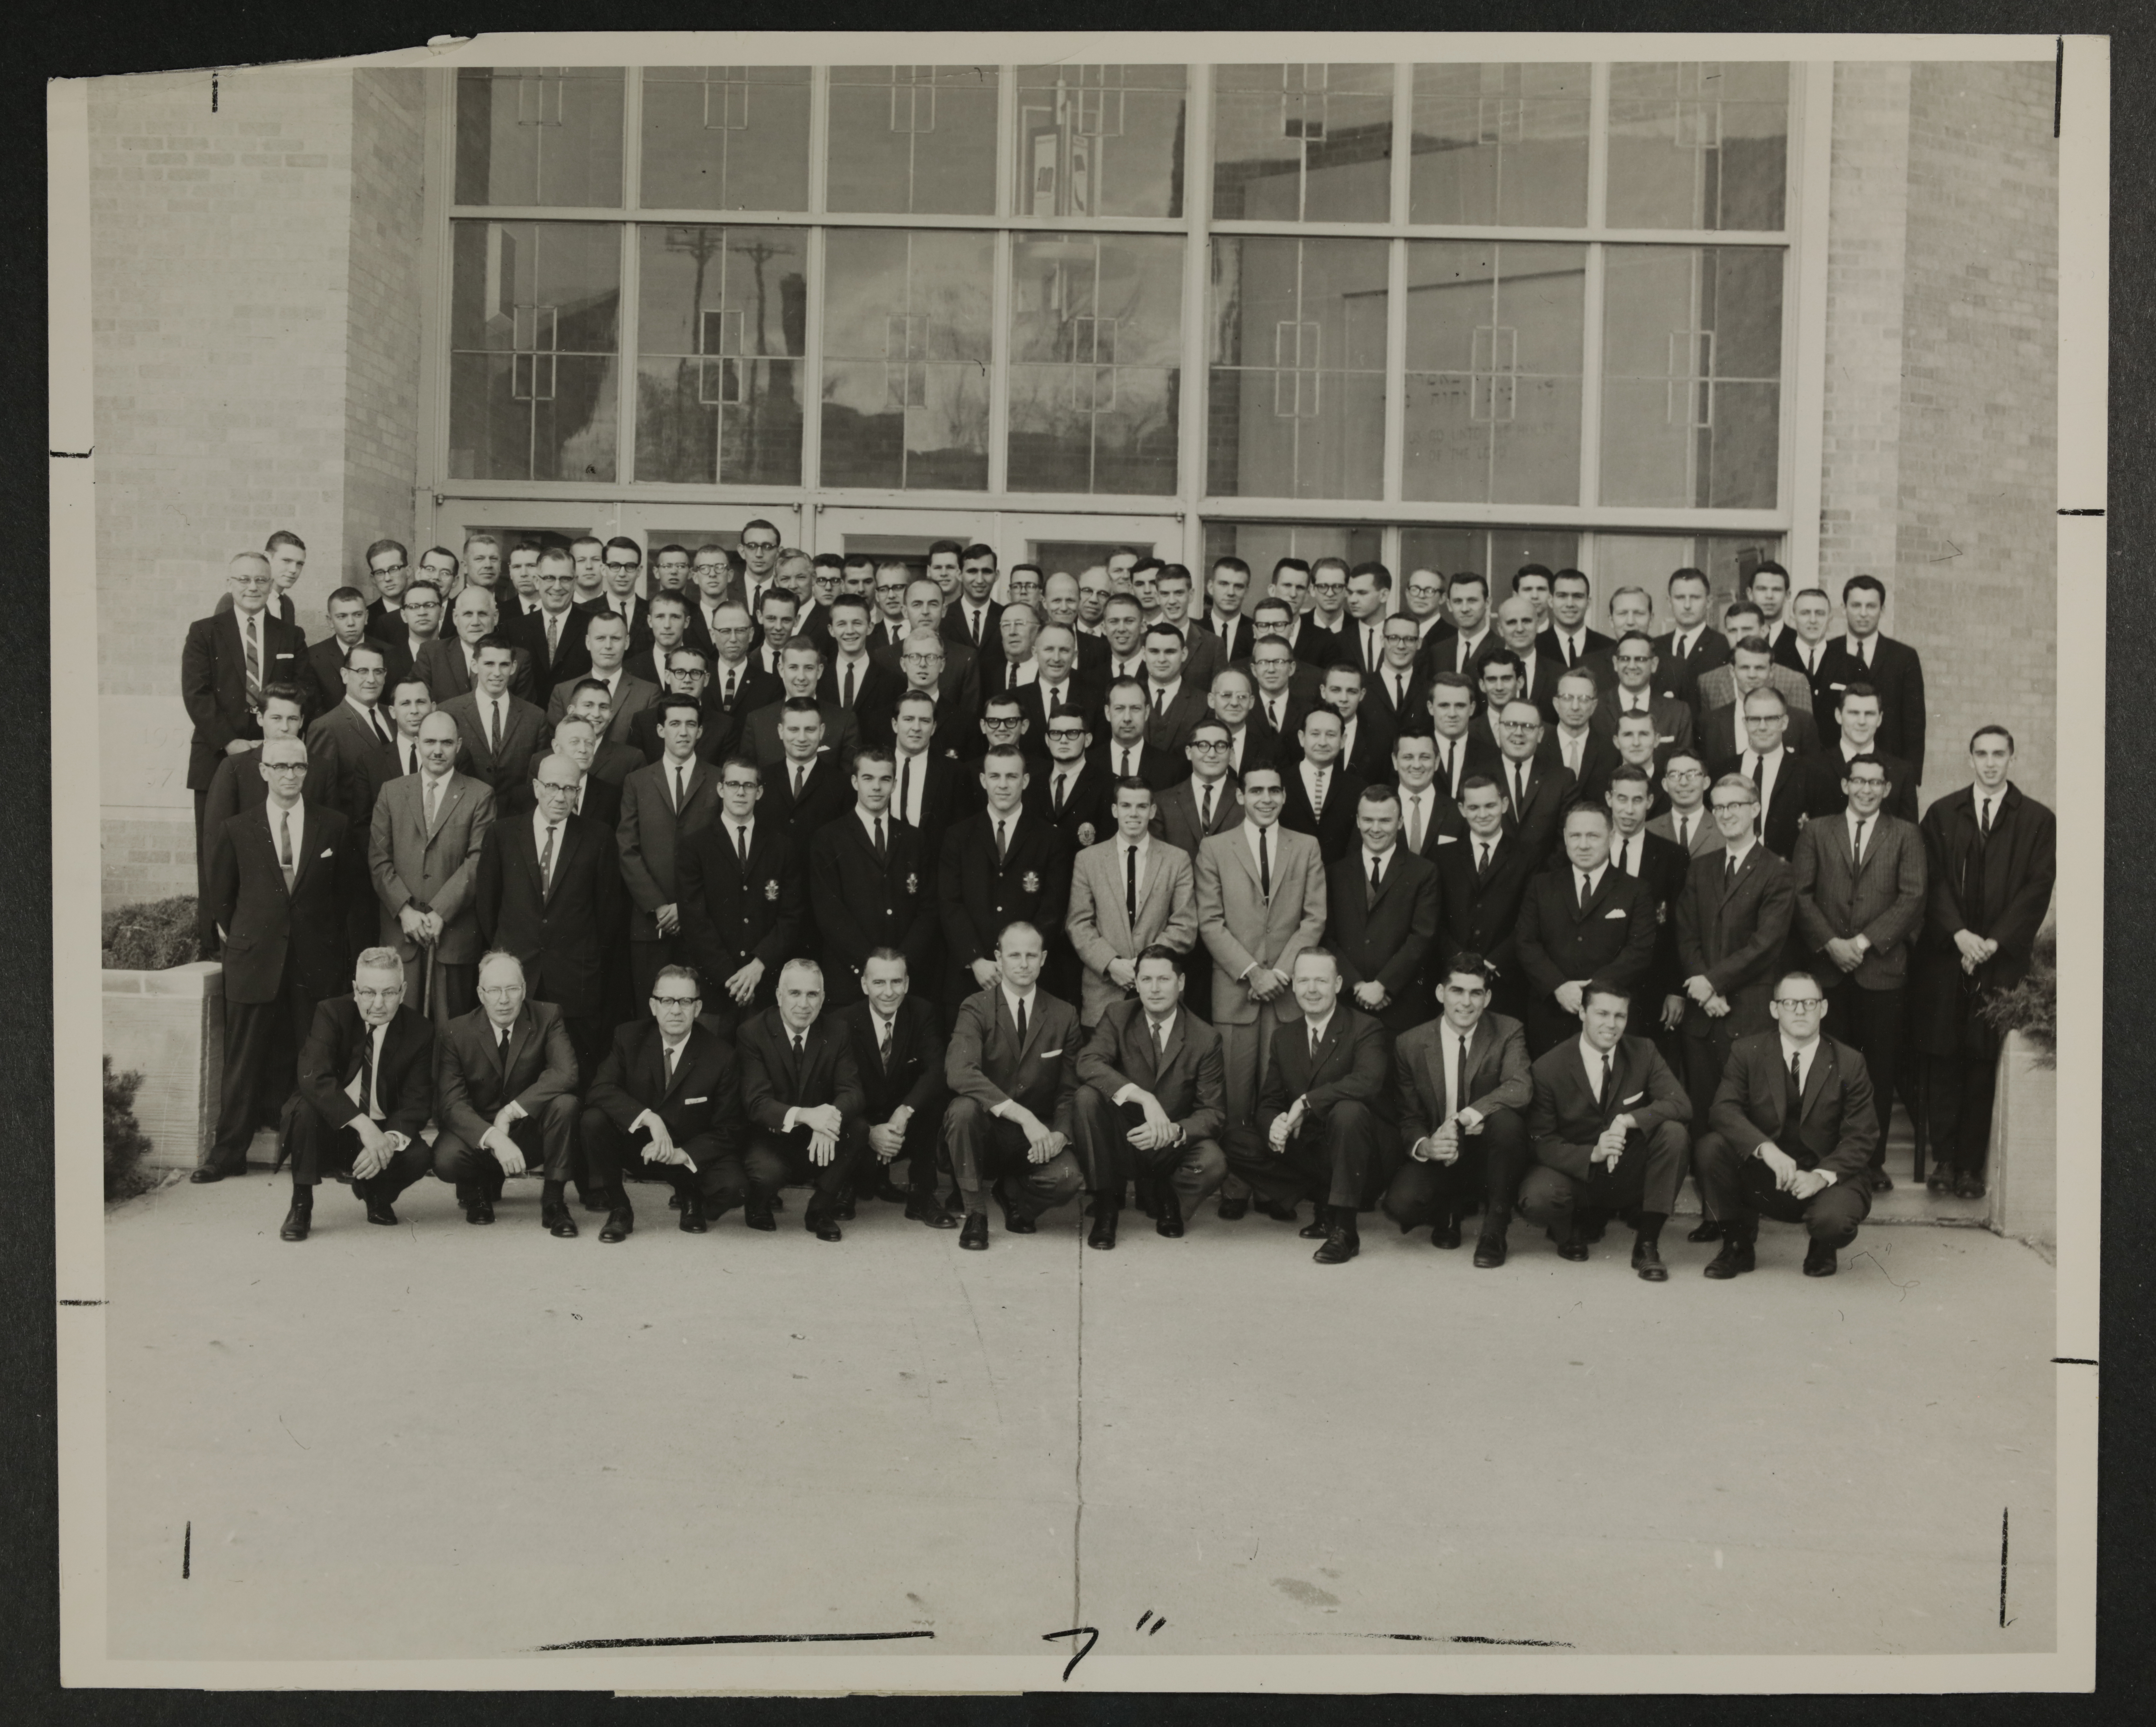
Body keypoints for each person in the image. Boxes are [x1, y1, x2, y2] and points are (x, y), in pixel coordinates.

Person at [198, 738, 373, 1182]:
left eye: (297, 767)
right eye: (280, 766)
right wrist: (249, 938)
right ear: (263, 771)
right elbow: (220, 898)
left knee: (316, 1063)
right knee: (243, 1063)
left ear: (307, 770)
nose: (289, 775)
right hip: (255, 961)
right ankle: (227, 1155)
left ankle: (319, 1155)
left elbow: (345, 895)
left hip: (314, 963)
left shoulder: (332, 826)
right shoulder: (238, 828)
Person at [1911, 726, 2057, 1198]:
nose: (1990, 763)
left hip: (1998, 963)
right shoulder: (1941, 814)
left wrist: (1993, 943)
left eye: (1999, 754)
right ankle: (1944, 1161)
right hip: (1948, 957)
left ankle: (1972, 1168)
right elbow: (1929, 882)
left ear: (2012, 758)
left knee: (1981, 1061)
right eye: (1981, 754)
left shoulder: (2036, 820)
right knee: (1944, 1060)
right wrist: (1958, 934)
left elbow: (2037, 887)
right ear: (1969, 759)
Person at [1194, 764, 1329, 1215]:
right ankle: (1235, 1186)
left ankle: (1275, 1188)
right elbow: (1209, 922)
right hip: (1237, 993)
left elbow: (1314, 917)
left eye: (1274, 790)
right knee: (1235, 1098)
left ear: (1285, 796)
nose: (1266, 798)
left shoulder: (1306, 846)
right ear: (1241, 795)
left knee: (1281, 1095)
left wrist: (1283, 973)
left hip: (1288, 993)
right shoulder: (1214, 847)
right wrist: (1253, 972)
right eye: (1256, 791)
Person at [1790, 755, 1925, 1191]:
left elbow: (1911, 897)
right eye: (1858, 781)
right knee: (1826, 1070)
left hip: (1881, 972)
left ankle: (1871, 1161)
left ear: (1887, 790)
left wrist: (1862, 944)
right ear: (1845, 785)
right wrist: (1831, 944)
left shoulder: (1905, 834)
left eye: (1875, 783)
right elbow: (1800, 893)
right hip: (1827, 974)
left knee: (1878, 1072)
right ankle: (1827, 1158)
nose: (1866, 790)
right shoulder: (1816, 831)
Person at [1696, 972, 1878, 1278]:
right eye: (1790, 1002)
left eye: (1810, 1002)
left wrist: (1821, 1177)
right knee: (1711, 1147)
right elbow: (1722, 1110)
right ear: (1774, 1009)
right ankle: (1737, 1244)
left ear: (1823, 1009)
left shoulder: (1850, 1062)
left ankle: (1823, 1244)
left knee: (1833, 1222)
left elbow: (1862, 1136)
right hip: (1771, 1176)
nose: (1800, 1010)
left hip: (1826, 1176)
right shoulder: (1747, 1052)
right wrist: (1764, 1148)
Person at [1519, 980, 1692, 1277]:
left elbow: (1681, 1104)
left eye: (1620, 1016)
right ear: (1583, 1013)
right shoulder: (1549, 1066)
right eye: (1602, 1013)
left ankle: (1647, 1243)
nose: (1611, 1024)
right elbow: (1541, 1141)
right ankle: (1568, 1229)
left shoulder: (1644, 1051)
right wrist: (1593, 1153)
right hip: (1578, 1171)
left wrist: (1628, 1120)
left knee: (1674, 1134)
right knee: (1537, 1198)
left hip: (1626, 1166)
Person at [474, 752, 625, 1082]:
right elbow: (488, 905)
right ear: (537, 787)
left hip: (575, 976)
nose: (561, 796)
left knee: (574, 1072)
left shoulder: (598, 837)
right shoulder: (503, 834)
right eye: (553, 786)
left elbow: (608, 913)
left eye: (570, 789)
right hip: (518, 972)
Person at [1244, 949, 1398, 1263]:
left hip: (1362, 1157)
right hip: (1315, 1151)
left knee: (1348, 1110)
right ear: (1294, 986)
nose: (1312, 989)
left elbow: (1368, 1082)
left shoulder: (1366, 1027)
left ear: (1338, 983)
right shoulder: (1284, 1037)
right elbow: (1269, 1101)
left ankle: (1345, 1229)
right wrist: (1274, 1122)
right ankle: (1323, 1201)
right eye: (1304, 980)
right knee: (1238, 1138)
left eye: (1321, 980)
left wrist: (1306, 1101)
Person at [275, 947, 436, 1240]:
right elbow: (315, 1078)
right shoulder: (331, 1012)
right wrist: (364, 1126)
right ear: (355, 990)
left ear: (403, 991)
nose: (378, 1003)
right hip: (334, 1124)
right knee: (303, 1111)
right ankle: (301, 1205)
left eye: (388, 993)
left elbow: (418, 1100)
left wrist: (386, 1139)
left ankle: (376, 1194)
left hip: (381, 1125)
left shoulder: (420, 1030)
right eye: (368, 992)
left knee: (418, 1155)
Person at [942, 921, 1085, 1249]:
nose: (1023, 963)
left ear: (1044, 958)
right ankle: (976, 1214)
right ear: (998, 958)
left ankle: (1019, 1204)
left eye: (1032, 955)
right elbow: (959, 1071)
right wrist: (1024, 1116)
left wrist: (1060, 1134)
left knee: (1068, 1180)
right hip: (987, 1131)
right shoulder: (976, 1006)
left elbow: (1069, 1088)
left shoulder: (1065, 1014)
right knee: (962, 1109)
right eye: (1015, 954)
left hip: (1033, 1140)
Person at [1073, 945, 1229, 1245]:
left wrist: (1174, 1130)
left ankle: (1169, 1198)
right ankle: (1106, 1206)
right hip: (1124, 1138)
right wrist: (1144, 1097)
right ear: (1137, 982)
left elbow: (1214, 1112)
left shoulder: (1205, 1037)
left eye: (1164, 979)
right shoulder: (1118, 1015)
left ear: (1181, 983)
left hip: (1169, 1145)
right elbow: (1088, 1061)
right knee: (1086, 1098)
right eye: (1146, 980)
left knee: (1213, 1161)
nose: (1155, 989)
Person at [1382, 954, 1533, 1263]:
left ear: (1487, 997)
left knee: (1507, 1121)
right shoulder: (1410, 1044)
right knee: (1401, 1204)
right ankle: (1447, 1209)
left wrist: (1466, 1116)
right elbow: (1409, 1116)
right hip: (1444, 1155)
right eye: (1457, 991)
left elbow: (1521, 1087)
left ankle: (1494, 1231)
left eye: (1476, 993)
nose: (1466, 1002)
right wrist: (1427, 1146)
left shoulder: (1508, 1030)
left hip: (1487, 1152)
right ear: (1441, 993)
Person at [1675, 774, 1798, 1152]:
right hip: (1703, 1013)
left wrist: (1712, 982)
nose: (1726, 814)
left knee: (1747, 1112)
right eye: (1720, 807)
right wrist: (1703, 985)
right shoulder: (1702, 867)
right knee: (1703, 1111)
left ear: (1756, 809)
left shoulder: (1777, 869)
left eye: (1736, 805)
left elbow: (1766, 944)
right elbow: (1686, 932)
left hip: (1748, 1012)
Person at [583, 965, 749, 1240]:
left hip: (687, 1149)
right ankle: (620, 1207)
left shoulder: (721, 1056)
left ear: (698, 1009)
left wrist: (683, 1154)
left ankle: (692, 1196)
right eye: (667, 1001)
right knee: (593, 1121)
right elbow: (600, 1089)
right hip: (641, 1146)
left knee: (735, 1188)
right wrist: (650, 1118)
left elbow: (730, 1129)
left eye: (685, 1001)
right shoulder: (628, 1037)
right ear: (653, 1005)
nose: (676, 1010)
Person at [429, 950, 582, 1230]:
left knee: (566, 1104)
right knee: (446, 1158)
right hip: (480, 1136)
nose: (503, 1000)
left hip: (527, 1131)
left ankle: (554, 1202)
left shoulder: (548, 1016)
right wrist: (495, 1139)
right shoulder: (455, 1031)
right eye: (494, 990)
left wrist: (510, 1113)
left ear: (524, 990)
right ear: (480, 993)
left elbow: (566, 1073)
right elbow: (451, 1105)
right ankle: (477, 1191)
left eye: (512, 989)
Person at [184, 551, 317, 870]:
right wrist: (231, 742)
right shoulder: (204, 631)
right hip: (217, 756)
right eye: (244, 579)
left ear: (271, 584)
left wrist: (276, 741)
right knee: (215, 853)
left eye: (261, 580)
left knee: (268, 854)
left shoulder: (289, 634)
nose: (253, 587)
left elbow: (304, 692)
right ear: (229, 583)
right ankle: (213, 923)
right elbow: (196, 694)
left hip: (276, 759)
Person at [367, 709, 494, 1025]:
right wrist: (406, 912)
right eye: (430, 741)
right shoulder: (392, 791)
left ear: (460, 745)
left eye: (447, 742)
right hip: (401, 933)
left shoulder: (480, 795)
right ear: (416, 742)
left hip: (452, 935)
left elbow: (478, 860)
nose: (438, 750)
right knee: (399, 1031)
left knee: (450, 1033)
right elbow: (379, 859)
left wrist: (440, 912)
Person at [735, 959, 872, 1239]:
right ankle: (758, 1204)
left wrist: (829, 1118)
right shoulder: (752, 1032)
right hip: (770, 1136)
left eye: (812, 995)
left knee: (858, 1128)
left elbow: (853, 1091)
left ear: (823, 998)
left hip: (815, 1138)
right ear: (779, 995)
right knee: (767, 1173)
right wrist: (809, 1116)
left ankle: (819, 1210)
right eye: (795, 993)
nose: (804, 1004)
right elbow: (757, 1103)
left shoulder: (837, 1031)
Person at [1513, 801, 1659, 1056]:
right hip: (1551, 1015)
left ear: (1612, 837)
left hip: (1610, 1018)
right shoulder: (1542, 886)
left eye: (1593, 836)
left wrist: (1592, 993)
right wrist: (1559, 987)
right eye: (1575, 836)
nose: (1583, 845)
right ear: (1566, 839)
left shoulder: (1636, 890)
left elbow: (1640, 951)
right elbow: (1526, 942)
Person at [938, 744, 1072, 1017]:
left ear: (1025, 781)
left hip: (1029, 978)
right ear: (983, 780)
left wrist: (1018, 964)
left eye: (1012, 777)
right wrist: (976, 960)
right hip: (971, 977)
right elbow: (950, 903)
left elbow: (1052, 908)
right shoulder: (958, 836)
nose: (1003, 785)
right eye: (995, 776)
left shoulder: (1050, 839)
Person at [676, 755, 807, 1028]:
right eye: (734, 784)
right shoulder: (695, 846)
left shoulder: (782, 847)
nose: (741, 792)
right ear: (721, 788)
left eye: (749, 786)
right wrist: (731, 977)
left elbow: (792, 916)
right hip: (715, 988)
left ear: (759, 792)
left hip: (765, 984)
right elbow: (694, 920)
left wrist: (758, 966)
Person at [1065, 779, 1199, 1027]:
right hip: (1103, 991)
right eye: (1126, 806)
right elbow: (1079, 923)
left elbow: (1185, 926)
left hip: (1158, 993)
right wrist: (1111, 964)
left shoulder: (1177, 860)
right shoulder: (1088, 860)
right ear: (1115, 810)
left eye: (1142, 806)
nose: (1134, 814)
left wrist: (1144, 967)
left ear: (1153, 811)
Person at [833, 948, 952, 1226]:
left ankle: (921, 1195)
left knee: (935, 1101)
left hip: (902, 1117)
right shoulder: (844, 1021)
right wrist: (869, 1132)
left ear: (907, 984)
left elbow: (937, 1069)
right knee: (840, 1105)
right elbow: (839, 1087)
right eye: (879, 983)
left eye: (896, 982)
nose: (889, 992)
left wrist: (905, 1111)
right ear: (865, 985)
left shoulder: (922, 1012)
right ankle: (845, 1186)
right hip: (863, 1118)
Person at [616, 696, 720, 1003]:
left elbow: (721, 852)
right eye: (675, 724)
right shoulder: (637, 781)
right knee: (649, 1008)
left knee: (698, 1008)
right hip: (651, 923)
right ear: (661, 730)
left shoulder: (718, 780)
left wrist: (686, 907)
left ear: (701, 731)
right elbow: (627, 848)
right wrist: (659, 905)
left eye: (691, 724)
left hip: (703, 921)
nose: (684, 732)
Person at [809, 749, 939, 993]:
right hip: (850, 977)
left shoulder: (915, 839)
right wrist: (869, 965)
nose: (877, 787)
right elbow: (830, 913)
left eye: (885, 779)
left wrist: (903, 964)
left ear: (895, 784)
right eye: (868, 778)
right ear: (855, 782)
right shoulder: (829, 838)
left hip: (904, 978)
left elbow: (928, 908)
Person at [195, 683, 308, 955]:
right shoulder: (235, 769)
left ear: (303, 721)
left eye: (292, 719)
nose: (284, 728)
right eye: (276, 718)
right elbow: (215, 848)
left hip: (302, 917)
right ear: (260, 719)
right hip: (250, 914)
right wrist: (223, 916)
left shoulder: (315, 769)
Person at [1326, 785, 1440, 1036]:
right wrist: (1356, 985)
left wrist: (1384, 986)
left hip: (1402, 1005)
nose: (1375, 829)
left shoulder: (1423, 872)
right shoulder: (1337, 872)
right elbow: (1328, 936)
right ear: (1357, 821)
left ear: (1400, 822)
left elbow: (1423, 937)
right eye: (1368, 820)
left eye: (1385, 820)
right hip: (1350, 1004)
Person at [1431, 775, 1534, 1020]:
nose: (1483, 814)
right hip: (1454, 976)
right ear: (1462, 810)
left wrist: (1495, 962)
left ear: (1505, 805)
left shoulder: (1528, 857)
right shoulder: (1442, 857)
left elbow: (1530, 919)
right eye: (1474, 807)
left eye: (1490, 806)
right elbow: (1434, 918)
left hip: (1505, 977)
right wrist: (1460, 961)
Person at [1818, 574, 1926, 776]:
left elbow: (1914, 726)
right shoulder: (1827, 653)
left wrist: (1912, 780)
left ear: (1883, 610)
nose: (1863, 613)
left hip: (1887, 772)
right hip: (1834, 771)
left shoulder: (1904, 658)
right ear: (1844, 608)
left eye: (1871, 606)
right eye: (1856, 605)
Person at [301, 641, 399, 837]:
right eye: (362, 671)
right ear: (345, 675)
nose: (372, 679)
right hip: (356, 839)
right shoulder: (327, 727)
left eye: (378, 672)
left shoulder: (394, 715)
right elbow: (319, 798)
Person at [1710, 686, 1809, 857]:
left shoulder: (1808, 772)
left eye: (1771, 719)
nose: (1762, 727)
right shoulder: (1722, 771)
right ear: (1744, 723)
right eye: (1755, 719)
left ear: (1784, 723)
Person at [1803, 682, 1919, 824]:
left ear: (1880, 719)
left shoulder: (1902, 772)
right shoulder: (1811, 768)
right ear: (1839, 716)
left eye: (1870, 714)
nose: (1862, 722)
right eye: (1854, 713)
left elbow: (1909, 837)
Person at [739, 638, 861, 769]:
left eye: (809, 668)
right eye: (794, 668)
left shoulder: (844, 722)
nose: (801, 677)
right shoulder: (757, 722)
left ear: (819, 671)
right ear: (781, 670)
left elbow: (849, 782)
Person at [546, 611, 657, 747]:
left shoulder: (649, 694)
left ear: (627, 642)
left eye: (616, 638)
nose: (608, 646)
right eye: (600, 638)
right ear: (588, 642)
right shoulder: (563, 692)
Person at [1490, 699, 1576, 874]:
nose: (1519, 733)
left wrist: (1539, 884)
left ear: (1541, 734)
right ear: (1498, 730)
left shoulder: (1562, 779)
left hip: (1545, 888)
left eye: (1528, 726)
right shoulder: (1478, 776)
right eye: (1511, 725)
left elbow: (1567, 840)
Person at [419, 586, 535, 705]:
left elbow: (522, 715)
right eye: (468, 614)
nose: (475, 622)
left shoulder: (519, 659)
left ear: (495, 618)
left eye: (482, 614)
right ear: (455, 618)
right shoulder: (431, 654)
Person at [1592, 631, 1695, 756]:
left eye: (1640, 659)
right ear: (1615, 663)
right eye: (1625, 659)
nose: (1632, 666)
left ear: (1654, 664)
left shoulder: (1678, 713)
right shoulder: (1594, 708)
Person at [1281, 705, 1363, 861]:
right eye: (1315, 734)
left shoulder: (1358, 789)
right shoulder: (1280, 782)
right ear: (1302, 738)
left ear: (1343, 740)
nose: (1323, 742)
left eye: (1331, 735)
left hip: (1339, 881)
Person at [1695, 614, 1814, 721]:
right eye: (1745, 668)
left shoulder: (1794, 681)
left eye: (1760, 668)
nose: (1752, 675)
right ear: (1732, 670)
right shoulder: (1709, 683)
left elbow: (1802, 729)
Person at [1025, 705, 1109, 852]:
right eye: (1056, 733)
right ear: (1047, 740)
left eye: (1073, 733)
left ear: (1088, 740)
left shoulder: (1108, 785)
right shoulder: (1032, 785)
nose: (1063, 740)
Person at [307, 584, 409, 703]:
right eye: (342, 616)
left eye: (358, 615)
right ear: (330, 621)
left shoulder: (389, 653)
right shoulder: (314, 657)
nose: (351, 623)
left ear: (366, 617)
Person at [1651, 567, 1729, 707]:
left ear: (1709, 602)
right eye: (1680, 598)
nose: (1687, 606)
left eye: (1695, 598)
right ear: (1669, 602)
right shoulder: (1655, 646)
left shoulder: (1722, 645)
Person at [1541, 666, 1620, 803]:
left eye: (1584, 699)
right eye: (1567, 698)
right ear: (1556, 704)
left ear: (1594, 706)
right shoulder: (1538, 746)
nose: (1575, 707)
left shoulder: (1611, 751)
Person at [1648, 748, 1718, 858]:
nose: (1684, 783)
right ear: (1665, 784)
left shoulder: (1722, 828)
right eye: (1675, 775)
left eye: (1692, 774)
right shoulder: (1649, 831)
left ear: (1706, 782)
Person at [1539, 569, 1611, 669]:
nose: (1570, 604)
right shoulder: (1534, 646)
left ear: (1588, 603)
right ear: (1551, 601)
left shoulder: (1608, 648)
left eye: (1578, 596)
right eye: (1562, 596)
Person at [363, 538, 413, 639]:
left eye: (394, 569)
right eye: (380, 573)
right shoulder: (366, 619)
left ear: (408, 571)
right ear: (373, 579)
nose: (388, 579)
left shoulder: (426, 609)